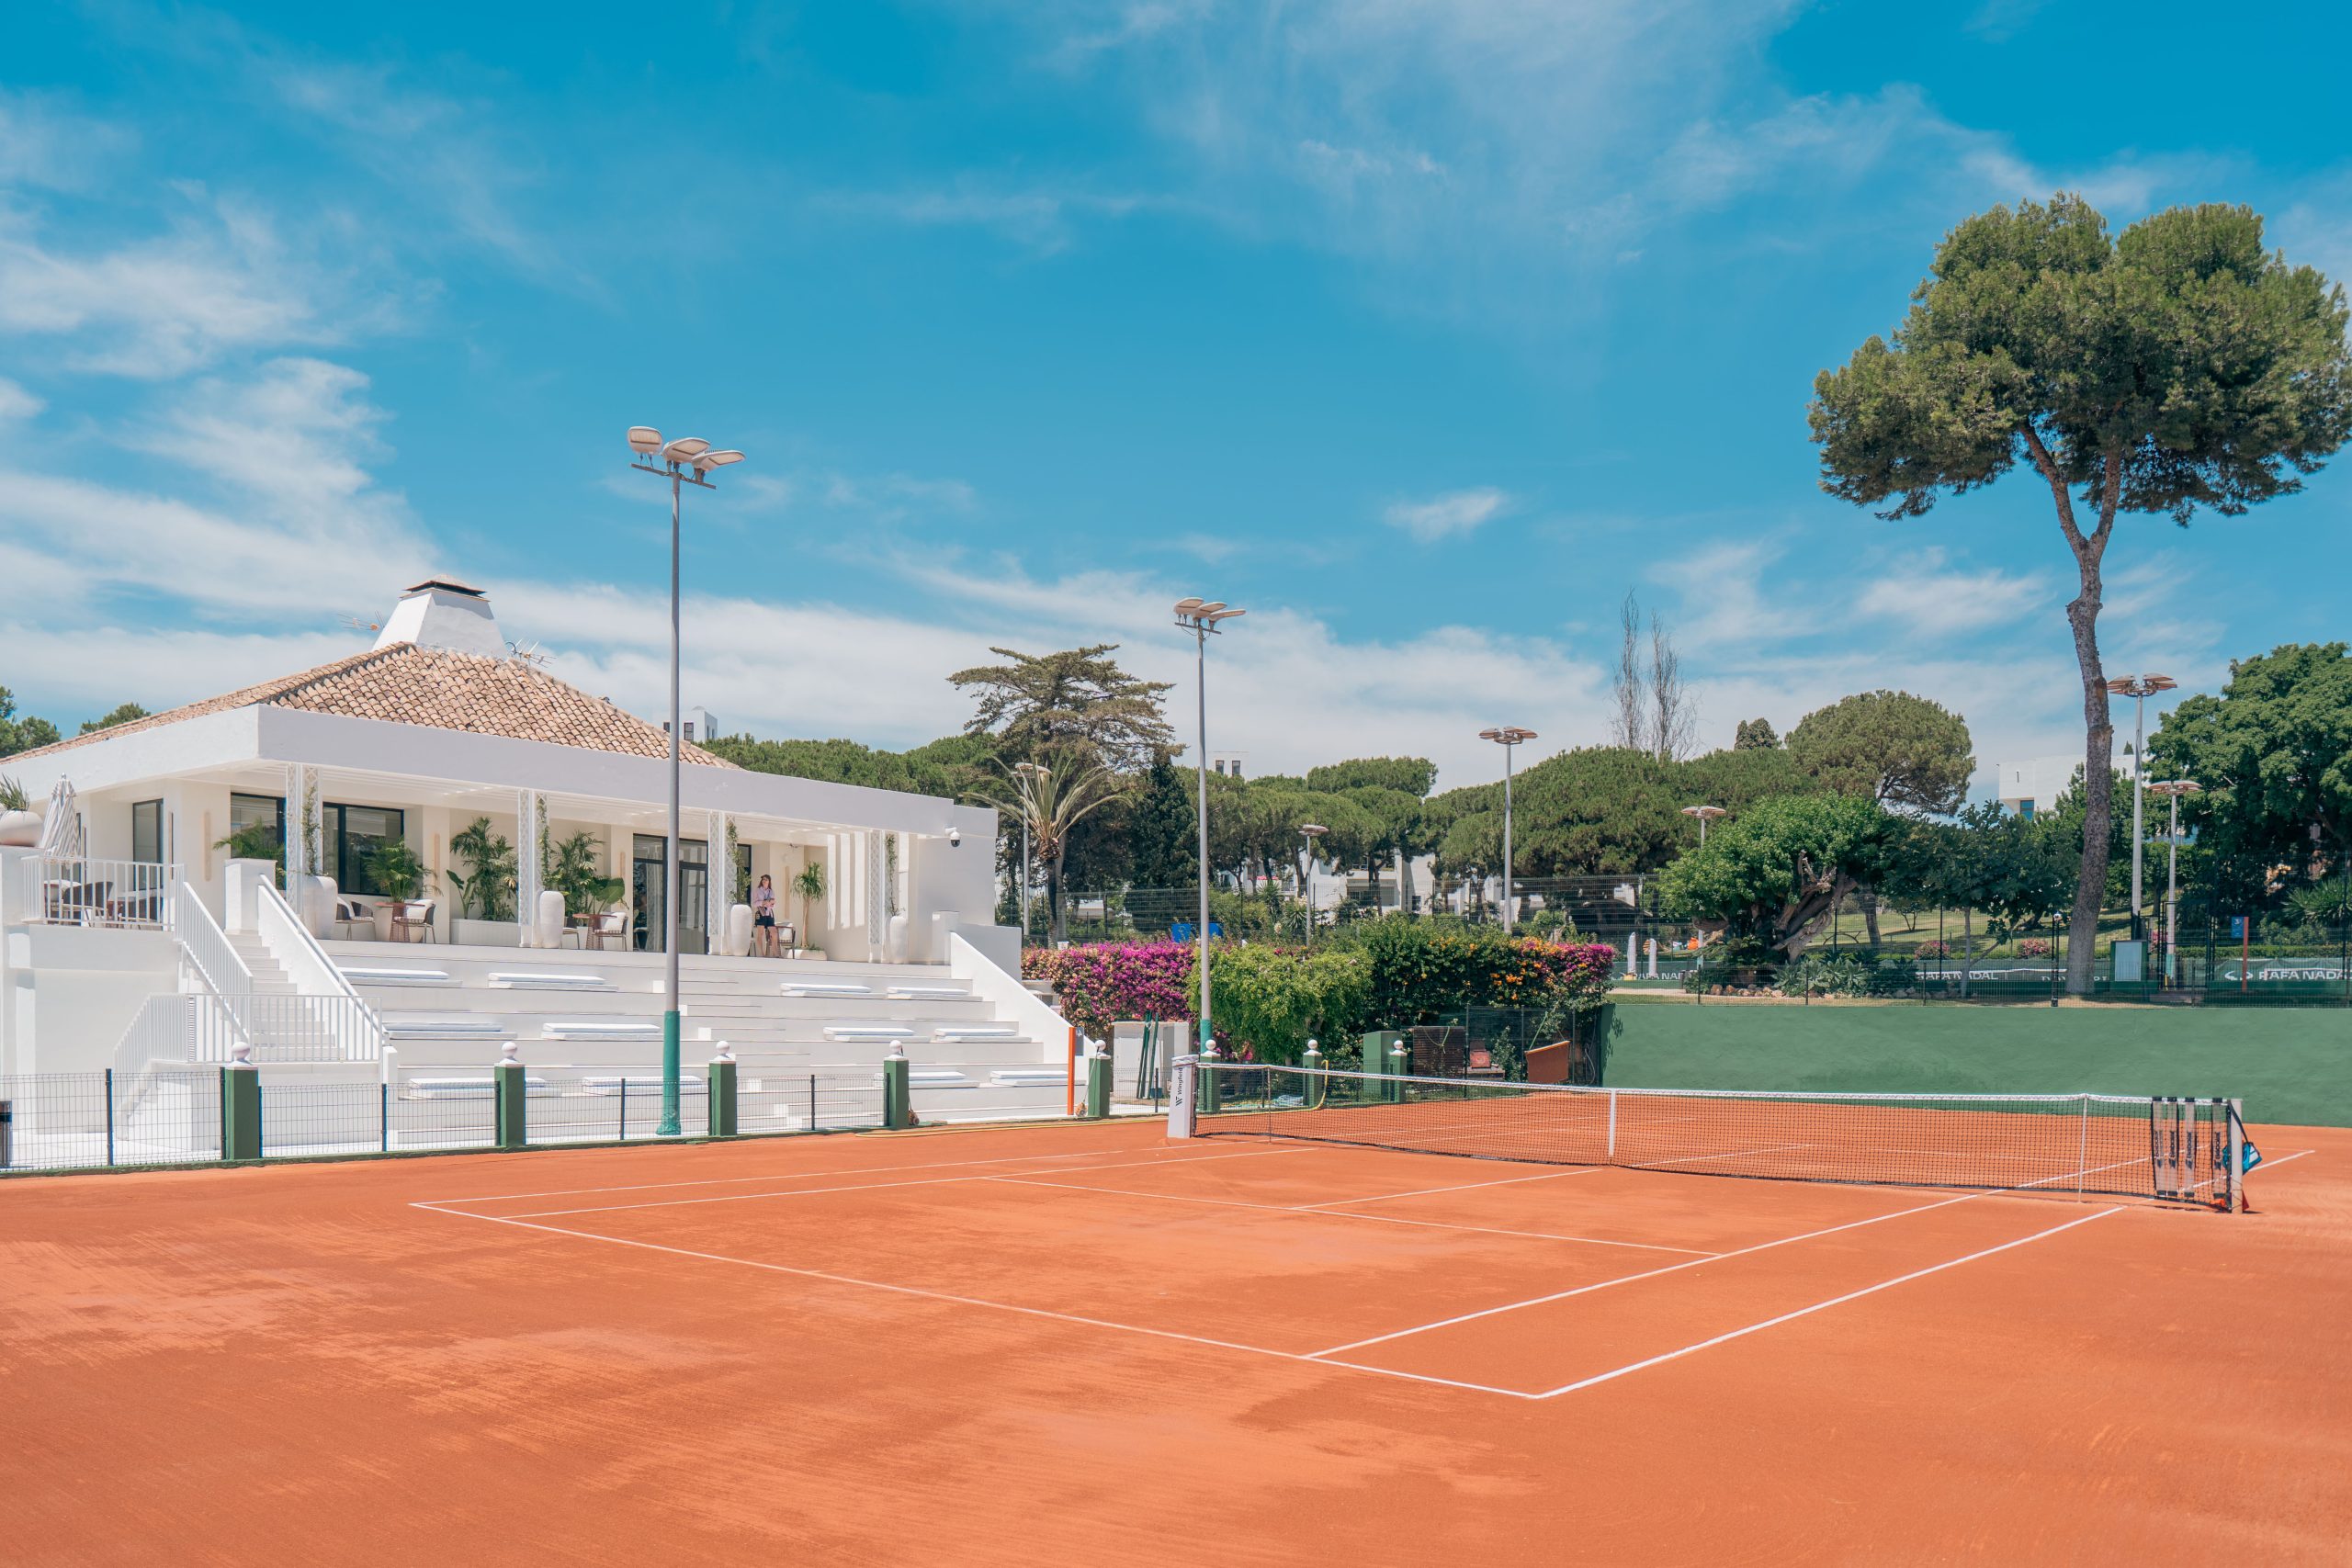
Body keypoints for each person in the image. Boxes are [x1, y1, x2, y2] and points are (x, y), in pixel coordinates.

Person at [752, 873, 778, 957]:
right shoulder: (757, 890)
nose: (764, 881)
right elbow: (754, 904)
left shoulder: (771, 891)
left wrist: (771, 903)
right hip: (761, 913)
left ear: (769, 881)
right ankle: (762, 954)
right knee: (761, 933)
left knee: (774, 933)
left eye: (766, 879)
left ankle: (775, 953)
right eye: (763, 879)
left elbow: (774, 903)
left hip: (769, 913)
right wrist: (763, 902)